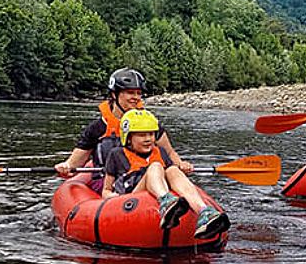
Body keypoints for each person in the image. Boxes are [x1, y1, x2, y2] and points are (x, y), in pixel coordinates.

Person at [54, 68, 192, 192]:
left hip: (144, 178)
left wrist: (181, 164)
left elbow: (169, 152)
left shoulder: (149, 124)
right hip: (108, 182)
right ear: (114, 95)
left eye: (139, 93)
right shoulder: (98, 128)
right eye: (130, 93)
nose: (136, 98)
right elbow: (74, 163)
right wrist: (66, 166)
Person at [102, 109, 229, 238]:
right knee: (156, 166)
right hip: (132, 195)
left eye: (151, 134)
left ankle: (204, 211)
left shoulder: (160, 152)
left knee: (172, 170)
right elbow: (106, 189)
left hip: (158, 190)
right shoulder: (116, 154)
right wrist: (111, 197)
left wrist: (182, 166)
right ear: (128, 138)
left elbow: (173, 176)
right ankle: (166, 201)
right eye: (141, 135)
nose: (148, 139)